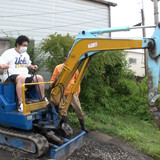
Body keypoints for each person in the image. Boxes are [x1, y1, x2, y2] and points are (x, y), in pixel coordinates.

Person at [0, 35, 46, 112]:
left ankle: (43, 99)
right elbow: (1, 63)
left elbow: (28, 64)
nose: (25, 47)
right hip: (11, 76)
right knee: (21, 78)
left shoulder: (26, 54)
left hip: (24, 76)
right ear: (18, 44)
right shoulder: (8, 53)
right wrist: (3, 66)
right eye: (24, 45)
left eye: (26, 46)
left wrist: (32, 66)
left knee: (39, 77)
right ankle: (20, 103)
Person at [50, 56, 88, 133]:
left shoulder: (75, 69)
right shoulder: (58, 68)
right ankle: (64, 128)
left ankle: (83, 126)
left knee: (78, 109)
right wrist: (53, 88)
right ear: (65, 58)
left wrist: (77, 91)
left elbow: (77, 81)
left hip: (72, 93)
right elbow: (53, 80)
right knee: (63, 111)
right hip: (62, 94)